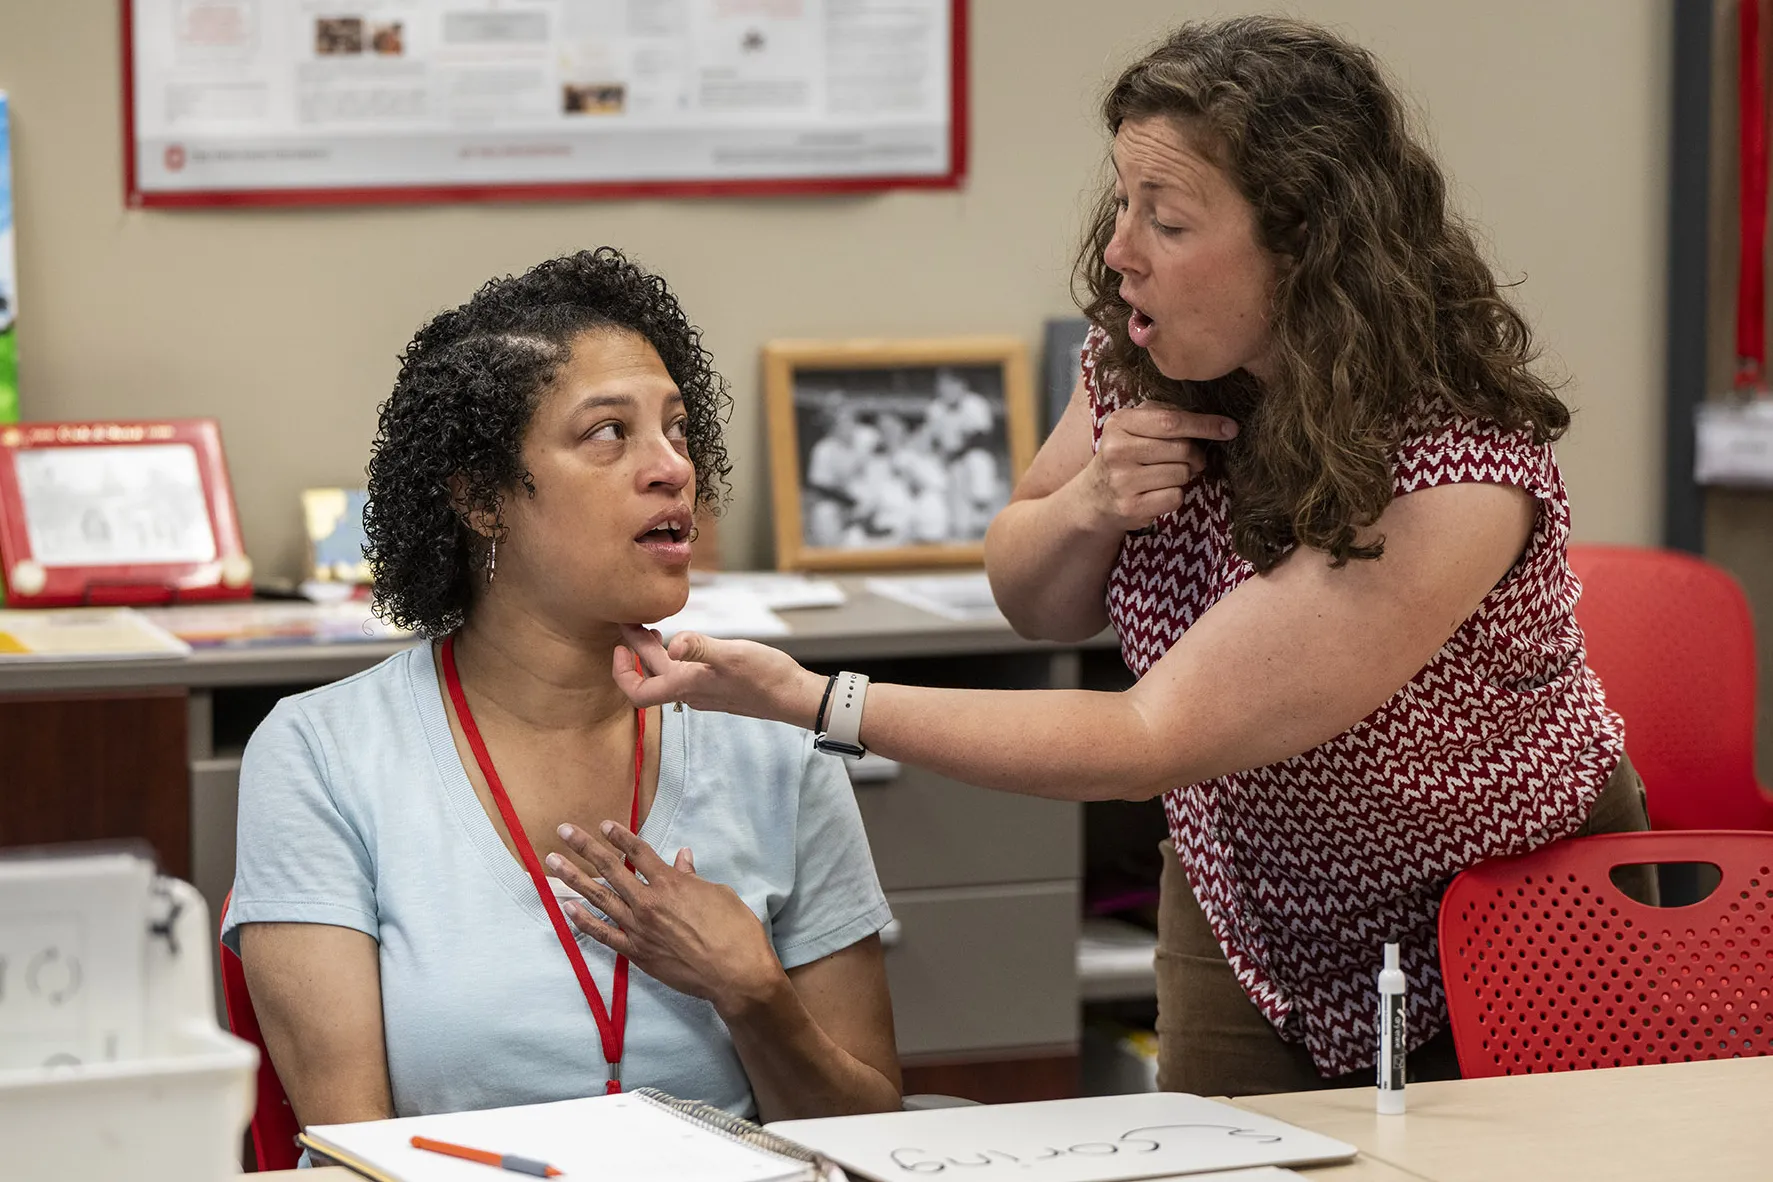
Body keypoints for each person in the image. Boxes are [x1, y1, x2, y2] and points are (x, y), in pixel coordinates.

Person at [607, 17, 1649, 1099]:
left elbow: (1148, 735)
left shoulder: (1455, 465)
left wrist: (815, 698)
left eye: (1168, 220)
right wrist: (1091, 504)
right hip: (1249, 890)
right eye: (1123, 204)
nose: (1119, 251)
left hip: (1505, 908)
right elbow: (1028, 595)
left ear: (1303, 243)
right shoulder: (1138, 355)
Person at [223, 249, 901, 1134]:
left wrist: (752, 992)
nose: (672, 469)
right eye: (608, 433)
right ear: (481, 499)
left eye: (678, 429)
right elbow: (355, 1144)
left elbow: (869, 1138)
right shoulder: (323, 756)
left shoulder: (772, 743)